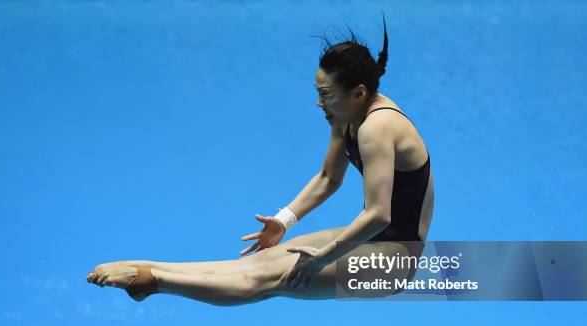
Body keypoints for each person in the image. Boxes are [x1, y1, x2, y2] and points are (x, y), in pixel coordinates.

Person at [86, 15, 434, 305]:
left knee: (273, 278)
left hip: (394, 259)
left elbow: (378, 214)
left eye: (326, 95)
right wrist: (285, 220)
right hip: (373, 240)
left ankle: (152, 280)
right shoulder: (347, 115)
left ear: (358, 93)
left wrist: (324, 258)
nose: (319, 104)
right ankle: (148, 268)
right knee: (265, 260)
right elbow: (329, 178)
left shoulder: (378, 127)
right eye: (318, 93)